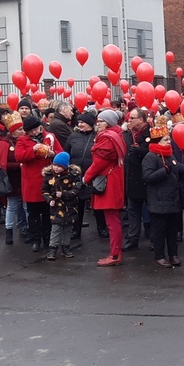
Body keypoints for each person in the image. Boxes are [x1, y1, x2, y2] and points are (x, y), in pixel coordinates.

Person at [142, 116, 184, 268]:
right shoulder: (150, 157)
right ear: (157, 141)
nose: (169, 142)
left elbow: (176, 167)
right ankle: (160, 256)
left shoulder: (169, 155)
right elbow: (148, 177)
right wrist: (164, 171)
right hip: (158, 201)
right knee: (159, 231)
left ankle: (173, 254)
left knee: (172, 230)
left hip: (173, 200)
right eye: (166, 140)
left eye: (169, 139)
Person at [84, 110, 126, 267]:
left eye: (101, 121)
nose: (97, 123)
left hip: (108, 184)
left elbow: (98, 163)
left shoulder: (107, 139)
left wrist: (85, 178)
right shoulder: (115, 136)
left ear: (108, 123)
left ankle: (115, 254)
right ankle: (115, 252)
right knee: (113, 219)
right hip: (112, 181)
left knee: (112, 221)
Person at [15, 115, 62, 252]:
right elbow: (19, 156)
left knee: (48, 213)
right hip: (31, 182)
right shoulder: (22, 140)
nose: (35, 133)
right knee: (33, 214)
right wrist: (33, 150)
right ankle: (35, 239)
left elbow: (61, 153)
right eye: (31, 131)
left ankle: (47, 239)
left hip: (48, 181)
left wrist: (53, 153)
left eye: (36, 129)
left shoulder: (50, 137)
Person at [64, 110, 108, 240]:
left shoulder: (98, 136)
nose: (80, 124)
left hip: (94, 174)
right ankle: (75, 230)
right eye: (79, 122)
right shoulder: (73, 136)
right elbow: (66, 152)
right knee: (77, 204)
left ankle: (102, 228)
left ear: (89, 123)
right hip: (76, 175)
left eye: (82, 122)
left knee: (97, 203)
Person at [0, 112, 29, 245]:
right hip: (11, 180)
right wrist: (19, 164)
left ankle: (27, 228)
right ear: (13, 131)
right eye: (20, 129)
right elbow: (2, 164)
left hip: (24, 178)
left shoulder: (24, 140)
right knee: (12, 206)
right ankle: (9, 231)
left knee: (26, 206)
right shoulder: (4, 143)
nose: (22, 131)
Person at [42, 152, 82, 261]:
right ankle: (52, 249)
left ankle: (66, 247)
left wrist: (64, 194)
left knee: (68, 228)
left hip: (70, 207)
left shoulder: (73, 176)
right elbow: (45, 191)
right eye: (55, 165)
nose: (56, 168)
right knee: (56, 228)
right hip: (56, 208)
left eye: (59, 166)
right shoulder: (49, 176)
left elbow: (76, 190)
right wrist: (49, 199)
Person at [121, 108, 151, 251]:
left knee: (150, 210)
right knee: (133, 210)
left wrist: (140, 150)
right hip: (132, 176)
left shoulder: (151, 133)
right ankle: (133, 239)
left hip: (146, 177)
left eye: (132, 118)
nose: (129, 120)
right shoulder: (127, 133)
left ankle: (153, 238)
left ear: (141, 119)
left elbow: (155, 152)